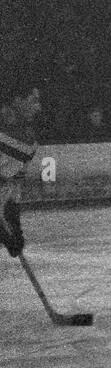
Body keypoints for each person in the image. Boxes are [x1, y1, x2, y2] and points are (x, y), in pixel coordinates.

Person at [0, 82, 41, 262]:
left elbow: (13, 185)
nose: (38, 107)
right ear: (17, 101)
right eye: (33, 101)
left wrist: (14, 225)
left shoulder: (29, 142)